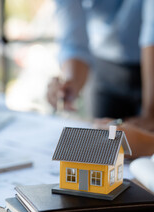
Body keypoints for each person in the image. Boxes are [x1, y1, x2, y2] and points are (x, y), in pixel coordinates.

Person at [47, 0, 154, 157]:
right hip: (104, 68)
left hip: (149, 67)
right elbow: (74, 40)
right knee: (103, 149)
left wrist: (149, 121)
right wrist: (70, 82)